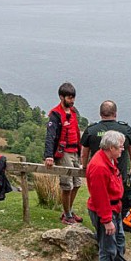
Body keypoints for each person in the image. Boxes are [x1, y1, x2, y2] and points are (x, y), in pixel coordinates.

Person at [85, 130, 131, 261]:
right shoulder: (99, 167)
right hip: (106, 211)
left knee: (119, 240)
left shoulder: (108, 160)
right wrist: (107, 220)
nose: (123, 150)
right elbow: (99, 197)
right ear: (111, 147)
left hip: (114, 208)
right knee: (108, 247)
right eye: (121, 147)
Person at [80, 100, 131, 214]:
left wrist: (84, 167)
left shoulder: (91, 130)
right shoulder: (125, 129)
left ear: (100, 114)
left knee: (100, 201)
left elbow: (84, 153)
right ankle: (117, 225)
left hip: (98, 176)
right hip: (119, 176)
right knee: (119, 205)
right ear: (115, 113)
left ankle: (105, 224)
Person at [44, 82, 83, 224]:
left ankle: (69, 211)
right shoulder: (55, 114)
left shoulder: (73, 112)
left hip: (75, 151)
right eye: (69, 98)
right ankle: (67, 215)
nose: (72, 101)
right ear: (61, 97)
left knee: (77, 183)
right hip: (63, 152)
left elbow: (76, 132)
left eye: (73, 98)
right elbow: (50, 136)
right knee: (67, 185)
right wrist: (49, 156)